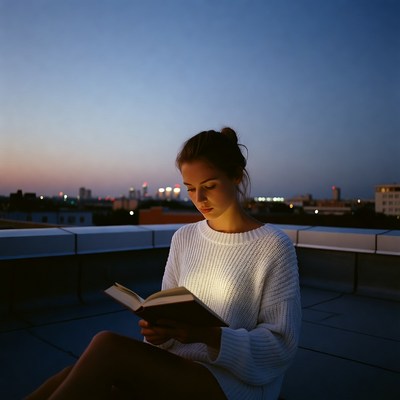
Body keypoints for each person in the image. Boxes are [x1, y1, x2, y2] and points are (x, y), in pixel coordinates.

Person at [26, 127, 301, 400]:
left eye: (210, 186)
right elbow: (167, 308)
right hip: (178, 366)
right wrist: (158, 331)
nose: (199, 200)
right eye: (191, 189)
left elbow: (280, 344)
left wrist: (208, 335)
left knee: (106, 348)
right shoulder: (185, 238)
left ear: (236, 177)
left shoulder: (273, 246)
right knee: (74, 375)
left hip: (234, 382)